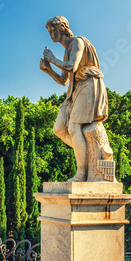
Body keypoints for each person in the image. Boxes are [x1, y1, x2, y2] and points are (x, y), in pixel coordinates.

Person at [40, 16, 108, 182]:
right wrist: (48, 69)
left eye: (53, 29)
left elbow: (72, 66)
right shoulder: (65, 51)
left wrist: (52, 59)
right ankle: (89, 154)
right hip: (75, 90)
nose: (51, 33)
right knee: (58, 129)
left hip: (88, 84)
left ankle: (81, 173)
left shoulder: (77, 42)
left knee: (74, 126)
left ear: (63, 27)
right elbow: (64, 80)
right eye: (49, 31)